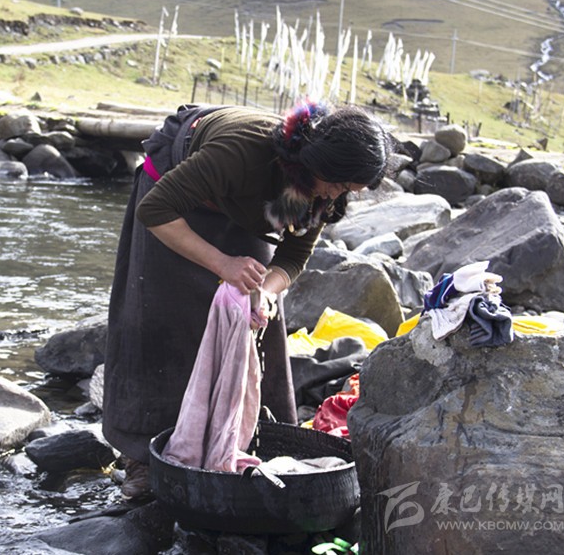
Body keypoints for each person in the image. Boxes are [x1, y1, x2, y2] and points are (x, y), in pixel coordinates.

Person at [102, 99, 395, 500]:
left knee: (257, 322)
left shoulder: (322, 187)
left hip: (248, 205)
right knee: (163, 324)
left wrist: (265, 292)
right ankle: (141, 457)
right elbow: (154, 210)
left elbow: (293, 256)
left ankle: (251, 437)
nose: (338, 195)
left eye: (348, 190)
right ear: (322, 162)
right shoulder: (243, 152)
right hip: (173, 200)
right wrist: (222, 263)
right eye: (340, 185)